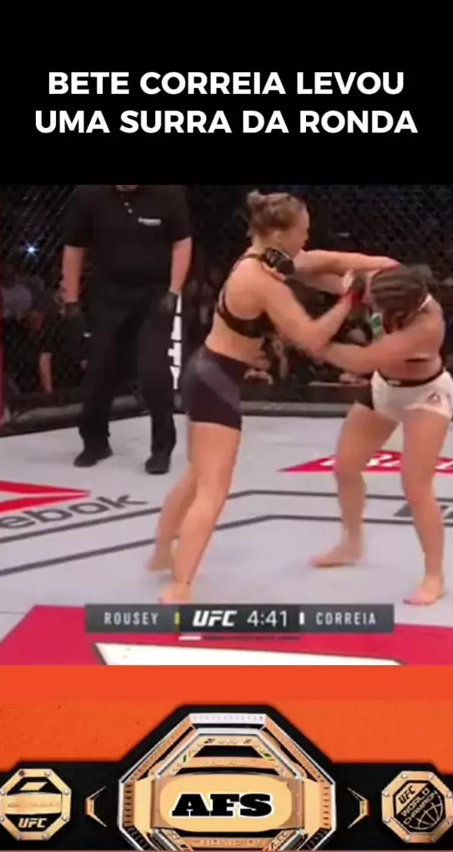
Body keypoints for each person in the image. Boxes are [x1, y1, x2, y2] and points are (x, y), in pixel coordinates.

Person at [147, 190, 398, 603]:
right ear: (280, 234)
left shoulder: (267, 258)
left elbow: (329, 259)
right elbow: (311, 338)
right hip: (214, 382)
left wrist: (383, 266)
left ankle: (162, 553)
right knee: (212, 489)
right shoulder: (259, 280)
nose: (307, 237)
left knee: (196, 477)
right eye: (303, 230)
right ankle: (181, 585)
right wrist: (350, 298)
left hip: (207, 373)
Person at [312, 264, 453, 606]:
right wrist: (291, 273)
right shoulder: (385, 284)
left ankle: (434, 576)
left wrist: (315, 343)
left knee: (416, 486)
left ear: (401, 309)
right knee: (345, 467)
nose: (371, 306)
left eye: (375, 305)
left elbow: (363, 360)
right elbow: (331, 280)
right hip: (384, 388)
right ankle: (351, 543)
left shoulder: (426, 325)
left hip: (426, 395)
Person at [61, 185, 192, 473]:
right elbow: (74, 247)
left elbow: (182, 242)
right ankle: (95, 442)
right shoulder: (88, 195)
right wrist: (71, 301)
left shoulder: (168, 193)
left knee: (154, 371)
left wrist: (173, 290)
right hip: (107, 293)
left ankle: (162, 448)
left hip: (154, 293)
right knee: (99, 369)